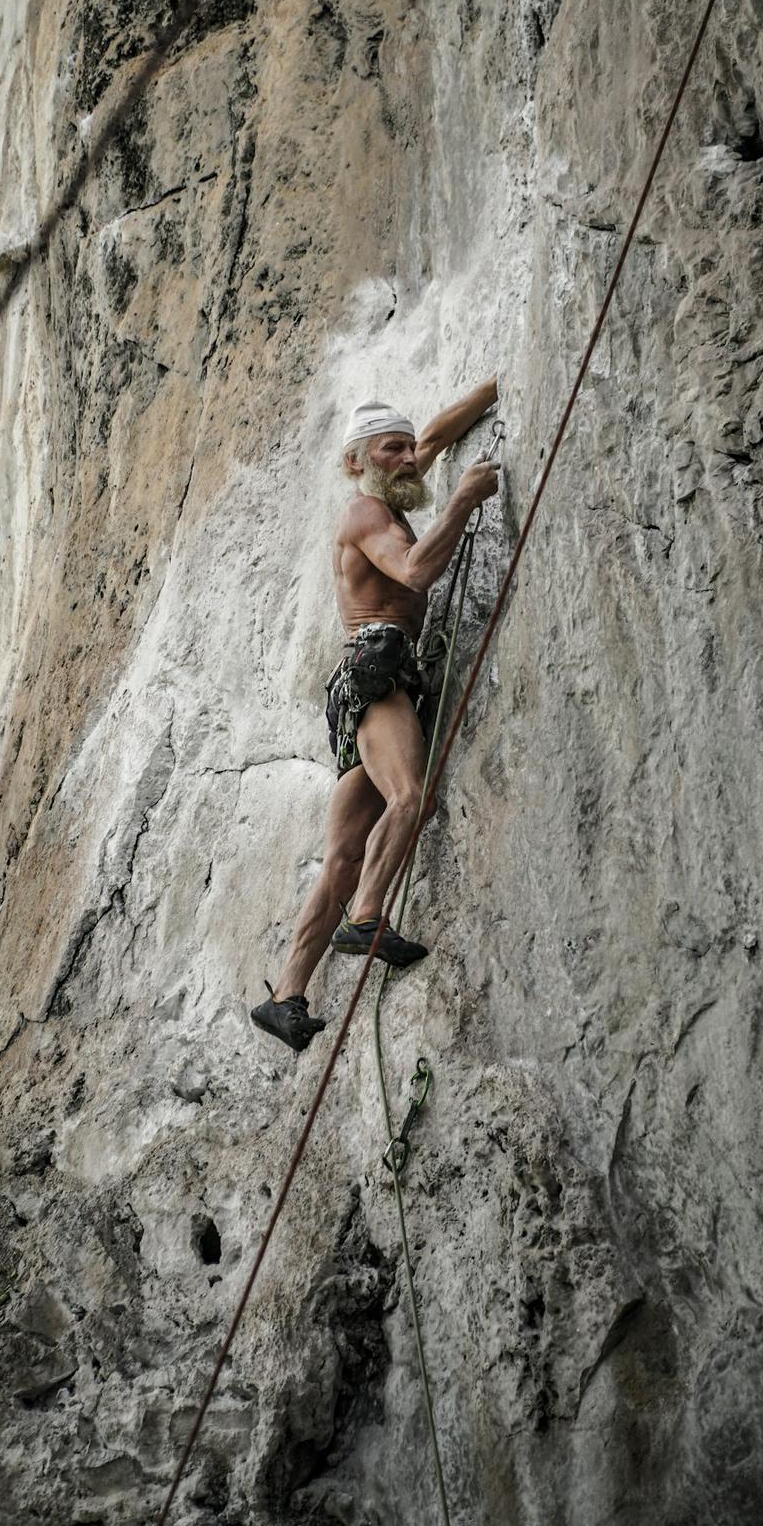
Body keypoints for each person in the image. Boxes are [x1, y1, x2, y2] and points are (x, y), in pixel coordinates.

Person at [251, 382, 500, 1052]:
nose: (408, 459)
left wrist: (495, 390)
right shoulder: (366, 512)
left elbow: (433, 439)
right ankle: (366, 916)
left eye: (407, 448)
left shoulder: (389, 482)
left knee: (343, 851)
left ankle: (285, 995)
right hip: (379, 671)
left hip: (364, 679)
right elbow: (417, 571)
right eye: (391, 449)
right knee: (411, 795)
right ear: (357, 462)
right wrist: (464, 500)